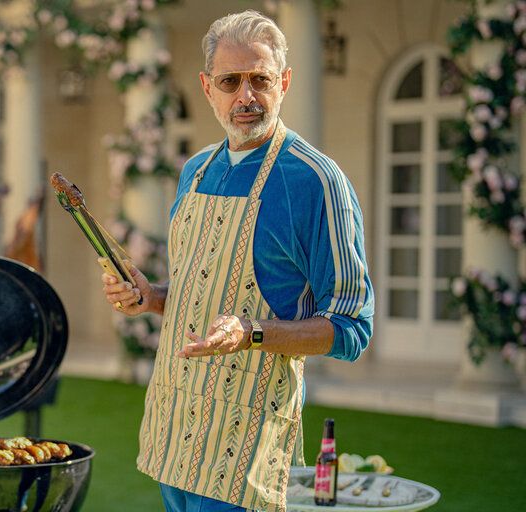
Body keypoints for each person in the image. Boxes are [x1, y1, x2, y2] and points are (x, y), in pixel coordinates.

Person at [101, 11, 373, 512]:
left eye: (260, 80)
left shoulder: (316, 180)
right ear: (207, 87)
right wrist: (151, 297)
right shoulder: (196, 171)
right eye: (230, 81)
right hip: (175, 429)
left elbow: (353, 327)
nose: (245, 96)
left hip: (246, 446)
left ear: (284, 82)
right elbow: (200, 291)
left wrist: (253, 332)